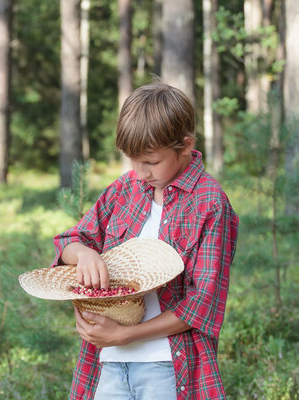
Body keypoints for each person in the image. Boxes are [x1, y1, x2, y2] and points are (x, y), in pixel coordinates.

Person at [52, 82, 239, 400]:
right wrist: (84, 254)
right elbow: (69, 239)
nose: (140, 172)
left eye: (151, 162)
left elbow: (201, 304)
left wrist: (125, 335)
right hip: (107, 365)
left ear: (185, 145)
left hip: (166, 367)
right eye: (132, 160)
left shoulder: (209, 202)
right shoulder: (124, 190)